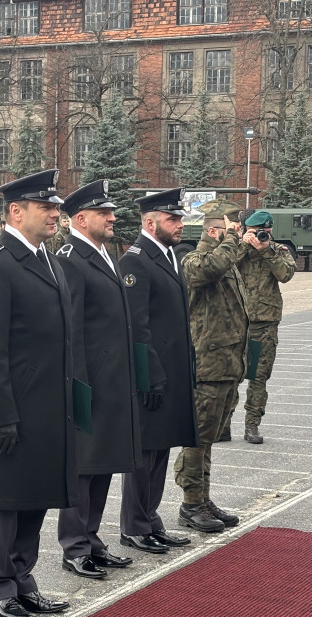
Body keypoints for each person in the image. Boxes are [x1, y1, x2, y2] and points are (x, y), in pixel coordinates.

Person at [0, 169, 77, 617]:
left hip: (47, 403)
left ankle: (23, 579)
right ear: (16, 211)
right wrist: (0, 416)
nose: (55, 214)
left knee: (35, 496)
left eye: (56, 207)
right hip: (13, 406)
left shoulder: (47, 258)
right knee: (5, 500)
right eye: (46, 207)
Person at [54, 180, 137, 577]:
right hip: (90, 382)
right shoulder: (71, 258)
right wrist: (79, 385)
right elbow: (72, 330)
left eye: (112, 212)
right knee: (84, 465)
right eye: (105, 213)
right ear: (81, 218)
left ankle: (93, 538)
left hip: (113, 379)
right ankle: (75, 545)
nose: (113, 218)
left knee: (103, 461)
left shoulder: (104, 253)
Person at [117, 189, 196, 554]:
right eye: (172, 219)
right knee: (146, 452)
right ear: (151, 222)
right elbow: (137, 325)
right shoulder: (136, 260)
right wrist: (148, 375)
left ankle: (150, 520)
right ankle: (135, 524)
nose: (180, 225)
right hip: (152, 375)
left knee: (161, 449)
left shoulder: (168, 255)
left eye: (179, 218)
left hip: (172, 371)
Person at [173, 199, 252, 533]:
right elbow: (208, 269)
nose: (239, 234)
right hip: (207, 365)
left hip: (228, 363)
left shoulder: (227, 258)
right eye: (234, 228)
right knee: (197, 437)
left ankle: (203, 498)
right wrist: (231, 240)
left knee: (209, 438)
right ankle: (190, 503)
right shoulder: (194, 259)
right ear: (216, 230)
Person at [230, 210, 296, 444]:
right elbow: (219, 266)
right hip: (234, 322)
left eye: (267, 231)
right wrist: (244, 245)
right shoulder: (234, 249)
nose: (262, 234)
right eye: (258, 231)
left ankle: (252, 426)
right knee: (228, 375)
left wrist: (266, 251)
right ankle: (221, 425)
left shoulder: (277, 250)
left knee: (258, 377)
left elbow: (286, 274)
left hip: (263, 324)